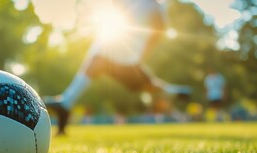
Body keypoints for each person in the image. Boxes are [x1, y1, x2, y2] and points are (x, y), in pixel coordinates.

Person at [44, 0, 191, 135]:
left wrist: (142, 53)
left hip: (125, 52)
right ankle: (176, 91)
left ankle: (66, 103)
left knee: (99, 61)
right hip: (115, 46)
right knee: (146, 84)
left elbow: (159, 29)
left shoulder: (153, 6)